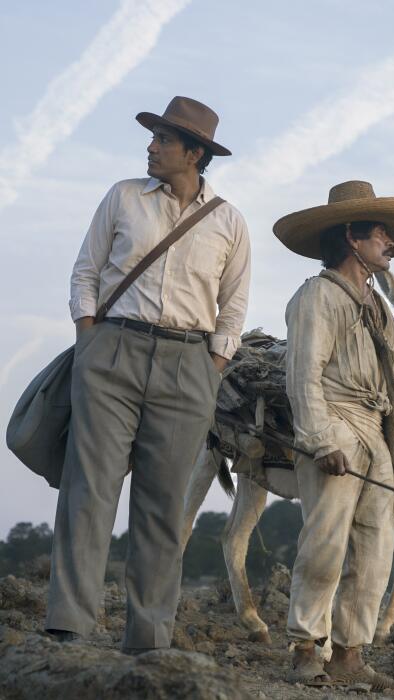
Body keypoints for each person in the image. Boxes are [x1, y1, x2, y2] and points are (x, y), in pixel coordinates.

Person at [45, 96, 251, 652]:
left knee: (163, 507)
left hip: (189, 366)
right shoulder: (123, 197)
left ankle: (150, 639)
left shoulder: (230, 221)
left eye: (164, 139)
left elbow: (231, 310)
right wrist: (90, 339)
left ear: (195, 153)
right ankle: (69, 626)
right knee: (88, 491)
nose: (152, 146)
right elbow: (85, 272)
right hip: (112, 350)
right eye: (154, 136)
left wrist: (211, 369)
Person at [273, 180, 394, 689]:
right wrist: (321, 440)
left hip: (375, 434)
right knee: (324, 543)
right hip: (336, 423)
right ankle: (304, 647)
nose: (389, 243)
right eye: (380, 233)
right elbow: (304, 375)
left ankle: (349, 652)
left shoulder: (380, 308)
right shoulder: (317, 296)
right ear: (351, 238)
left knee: (375, 548)